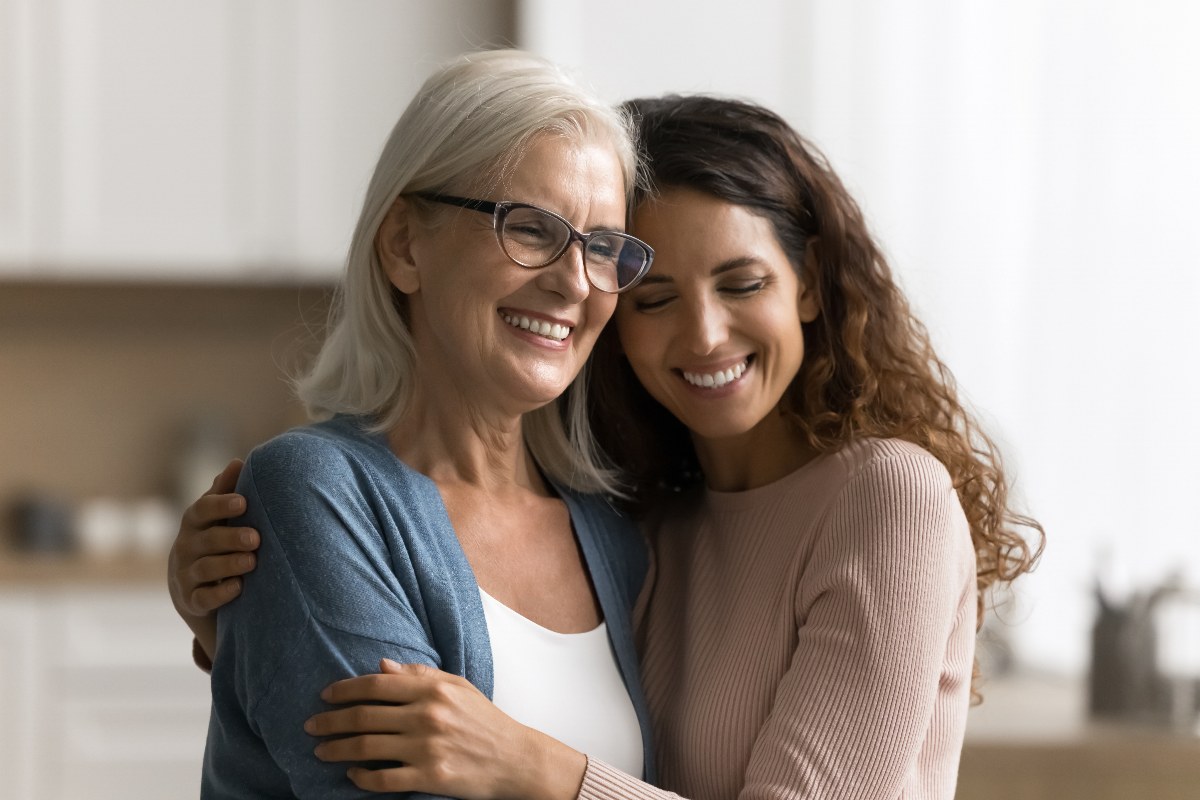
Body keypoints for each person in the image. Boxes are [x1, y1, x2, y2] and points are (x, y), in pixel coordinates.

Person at [173, 94, 1044, 800]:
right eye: (653, 297)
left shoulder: (888, 497)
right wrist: (251, 613)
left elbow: (527, 750)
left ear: (809, 284)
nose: (704, 335)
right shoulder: (642, 522)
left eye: (742, 283)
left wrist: (536, 767)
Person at [180, 48, 664, 798]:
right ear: (405, 244)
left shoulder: (614, 538)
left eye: (602, 247)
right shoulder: (313, 492)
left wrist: (536, 771)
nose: (574, 282)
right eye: (532, 229)